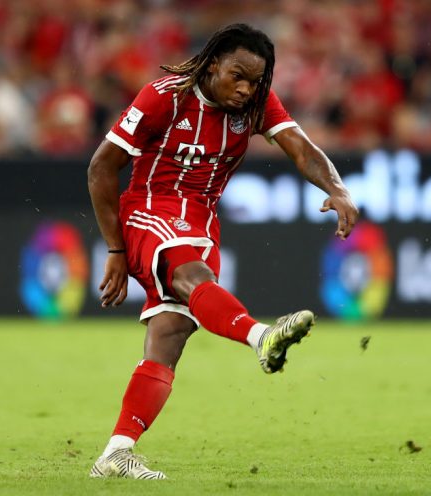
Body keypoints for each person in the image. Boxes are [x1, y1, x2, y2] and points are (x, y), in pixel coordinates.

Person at [87, 23, 359, 480]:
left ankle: (117, 451)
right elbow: (101, 168)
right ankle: (262, 337)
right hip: (150, 209)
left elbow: (301, 148)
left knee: (170, 334)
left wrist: (339, 189)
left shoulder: (255, 103)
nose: (246, 89)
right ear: (213, 64)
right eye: (237, 76)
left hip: (201, 223)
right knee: (195, 278)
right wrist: (115, 248)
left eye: (255, 81)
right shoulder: (164, 96)